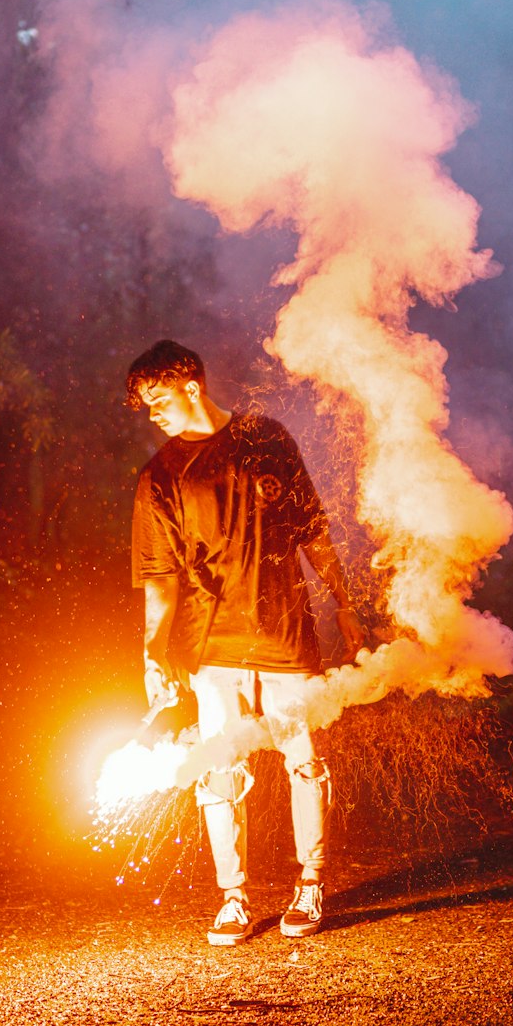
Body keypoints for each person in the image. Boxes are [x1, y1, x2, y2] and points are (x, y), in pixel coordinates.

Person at [126, 339, 364, 946]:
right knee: (218, 771)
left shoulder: (266, 439)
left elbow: (313, 528)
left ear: (190, 384)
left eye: (157, 399)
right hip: (212, 648)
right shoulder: (158, 476)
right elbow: (159, 580)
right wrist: (154, 655)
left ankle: (310, 885)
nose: (152, 414)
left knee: (304, 761)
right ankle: (233, 898)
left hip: (286, 635)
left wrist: (345, 604)